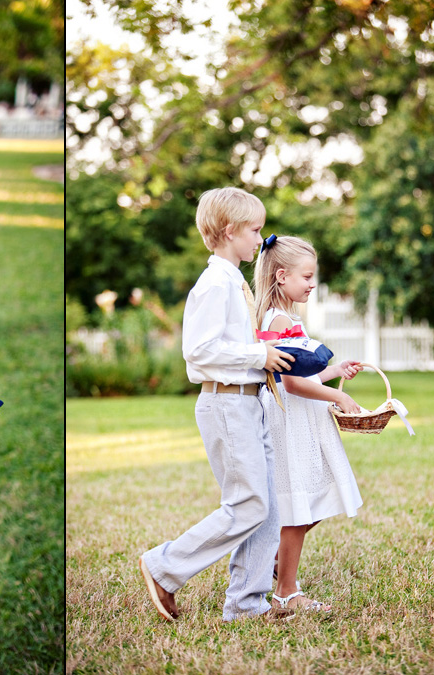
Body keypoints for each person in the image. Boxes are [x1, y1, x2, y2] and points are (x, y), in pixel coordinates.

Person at [139, 187, 296, 622]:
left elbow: (236, 343)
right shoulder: (213, 284)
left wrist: (276, 352)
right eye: (255, 231)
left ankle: (246, 603)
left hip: (250, 402)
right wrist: (256, 356)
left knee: (268, 508)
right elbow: (199, 350)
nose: (260, 240)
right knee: (247, 504)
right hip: (226, 404)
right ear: (230, 232)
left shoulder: (234, 281)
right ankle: (165, 567)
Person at [252, 234, 364, 613]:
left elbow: (302, 373)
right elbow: (294, 384)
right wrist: (339, 396)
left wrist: (334, 371)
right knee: (299, 504)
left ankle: (278, 562)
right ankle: (286, 592)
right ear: (281, 276)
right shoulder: (279, 319)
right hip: (291, 420)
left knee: (311, 500)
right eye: (307, 276)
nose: (312, 284)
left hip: (300, 416)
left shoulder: (288, 318)